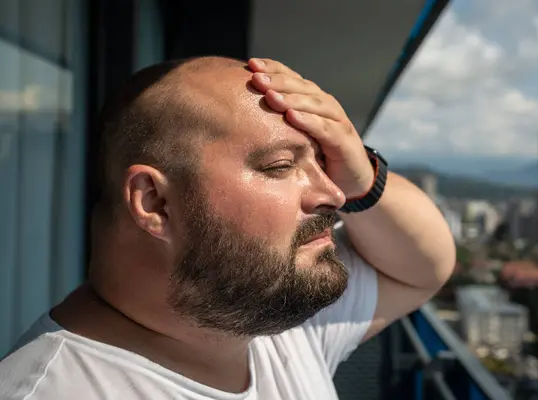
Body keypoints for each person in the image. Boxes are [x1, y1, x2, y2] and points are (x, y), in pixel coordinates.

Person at [0, 56, 455, 400]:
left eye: (324, 165)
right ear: (154, 202)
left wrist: (364, 178)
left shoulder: (261, 313)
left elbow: (424, 267)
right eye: (280, 166)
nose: (333, 194)